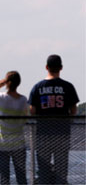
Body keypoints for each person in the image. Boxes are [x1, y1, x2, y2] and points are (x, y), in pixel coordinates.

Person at [28, 54, 79, 184]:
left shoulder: (38, 87)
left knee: (43, 170)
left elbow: (32, 111)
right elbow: (73, 110)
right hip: (62, 134)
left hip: (43, 134)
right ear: (61, 68)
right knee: (61, 170)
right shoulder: (68, 87)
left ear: (46, 67)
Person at [0, 71, 28, 185]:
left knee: (4, 177)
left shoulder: (0, 98)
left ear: (7, 83)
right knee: (21, 177)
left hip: (2, 144)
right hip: (19, 143)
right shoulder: (23, 100)